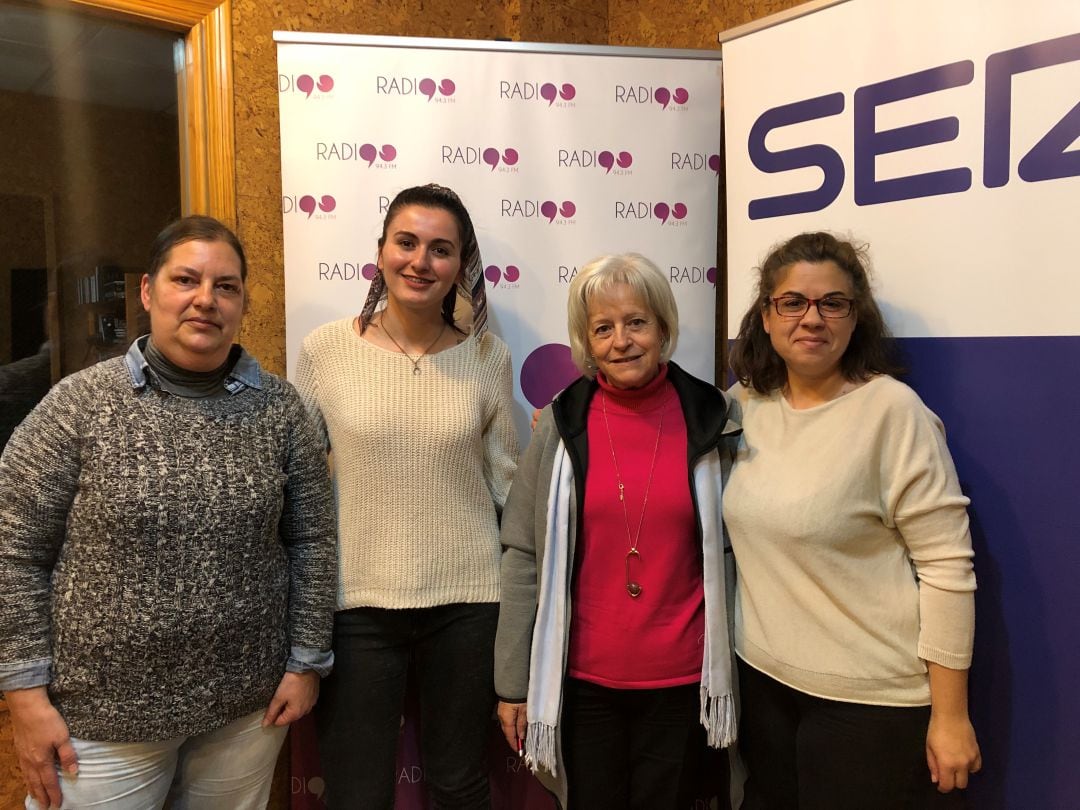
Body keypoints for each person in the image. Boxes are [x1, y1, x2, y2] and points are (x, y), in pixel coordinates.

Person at [0, 215, 337, 810]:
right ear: (149, 291)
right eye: (186, 280)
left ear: (243, 302)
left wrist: (307, 660)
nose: (205, 300)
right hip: (102, 719)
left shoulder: (283, 411)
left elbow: (312, 542)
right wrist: (24, 695)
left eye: (226, 286)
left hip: (245, 710)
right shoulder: (77, 406)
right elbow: (14, 553)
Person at [724, 232, 981, 809]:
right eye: (792, 302)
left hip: (868, 702)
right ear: (765, 317)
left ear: (854, 316)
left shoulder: (893, 412)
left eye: (832, 303)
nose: (811, 318)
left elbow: (947, 568)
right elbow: (658, 427)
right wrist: (569, 419)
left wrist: (951, 716)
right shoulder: (745, 405)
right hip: (762, 682)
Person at [295, 183, 519, 810]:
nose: (421, 261)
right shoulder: (325, 351)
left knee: (459, 783)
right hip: (359, 602)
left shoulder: (486, 356)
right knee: (356, 791)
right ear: (381, 252)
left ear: (460, 267)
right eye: (407, 243)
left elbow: (506, 480)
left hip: (470, 602)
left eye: (441, 249)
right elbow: (304, 488)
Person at [494, 253, 741, 810]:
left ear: (664, 327)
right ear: (585, 342)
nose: (621, 341)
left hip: (684, 683)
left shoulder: (715, 417)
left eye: (636, 322)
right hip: (582, 682)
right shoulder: (561, 423)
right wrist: (511, 682)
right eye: (602, 328)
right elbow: (523, 555)